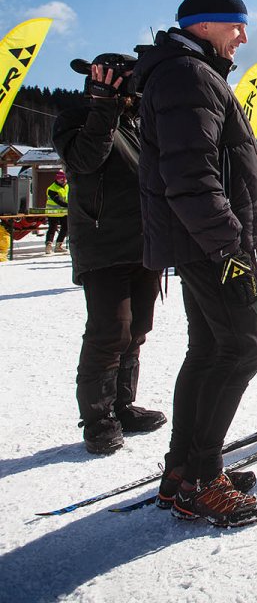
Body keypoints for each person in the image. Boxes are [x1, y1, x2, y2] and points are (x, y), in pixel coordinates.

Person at [134, 0, 257, 526]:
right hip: (213, 245)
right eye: (235, 24)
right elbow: (191, 175)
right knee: (243, 349)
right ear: (203, 25)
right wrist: (229, 245)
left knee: (212, 348)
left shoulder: (189, 73)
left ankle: (183, 470)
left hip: (202, 243)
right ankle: (202, 480)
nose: (242, 36)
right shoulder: (188, 75)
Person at [52, 53, 167, 455]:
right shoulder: (76, 118)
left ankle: (123, 405)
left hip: (144, 244)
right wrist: (103, 107)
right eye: (132, 81)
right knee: (109, 332)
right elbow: (85, 160)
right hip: (101, 245)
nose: (138, 89)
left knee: (136, 329)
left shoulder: (137, 122)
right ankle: (98, 418)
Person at [44, 170, 69, 254]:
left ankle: (59, 245)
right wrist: (69, 205)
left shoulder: (67, 186)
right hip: (53, 211)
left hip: (64, 212)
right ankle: (48, 245)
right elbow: (57, 200)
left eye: (64, 179)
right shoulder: (52, 188)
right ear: (57, 179)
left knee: (65, 228)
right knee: (52, 228)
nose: (63, 181)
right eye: (61, 179)